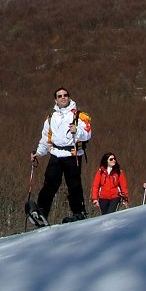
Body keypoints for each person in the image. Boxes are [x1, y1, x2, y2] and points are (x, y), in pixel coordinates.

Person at [29, 87, 92, 223]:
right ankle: (42, 211)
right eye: (60, 96)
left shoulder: (78, 115)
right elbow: (46, 137)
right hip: (56, 153)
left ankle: (79, 212)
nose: (63, 97)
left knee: (73, 184)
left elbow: (88, 133)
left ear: (69, 97)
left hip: (72, 153)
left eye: (65, 95)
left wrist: (78, 131)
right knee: (50, 182)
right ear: (55, 100)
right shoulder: (51, 117)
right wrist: (39, 153)